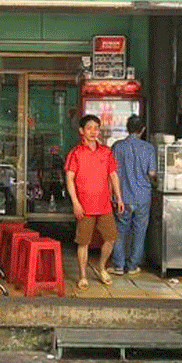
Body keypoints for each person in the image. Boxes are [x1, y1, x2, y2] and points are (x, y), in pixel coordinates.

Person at [64, 114, 125, 290]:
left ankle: (101, 267)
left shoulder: (106, 151)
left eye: (96, 128)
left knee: (111, 238)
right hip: (84, 206)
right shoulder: (76, 153)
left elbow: (113, 175)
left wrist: (119, 198)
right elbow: (70, 179)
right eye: (89, 128)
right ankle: (83, 276)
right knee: (83, 242)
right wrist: (75, 202)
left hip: (105, 204)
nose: (93, 132)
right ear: (81, 131)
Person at [109, 115, 156, 276]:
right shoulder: (149, 148)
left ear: (127, 128)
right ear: (142, 130)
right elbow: (151, 172)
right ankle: (133, 266)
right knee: (139, 231)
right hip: (143, 196)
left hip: (123, 196)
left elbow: (112, 172)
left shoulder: (117, 147)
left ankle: (119, 266)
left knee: (120, 231)